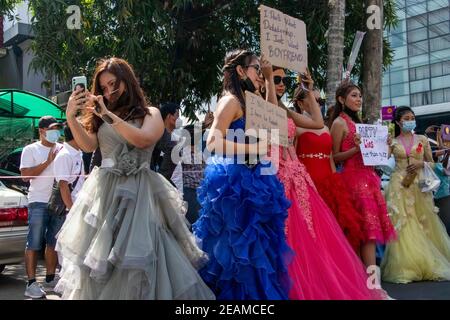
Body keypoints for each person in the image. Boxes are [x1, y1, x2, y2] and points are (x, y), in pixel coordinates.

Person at [55, 57, 215, 299]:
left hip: (141, 193)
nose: (109, 92)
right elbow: (88, 146)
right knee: (101, 260)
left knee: (144, 255)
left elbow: (143, 139)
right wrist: (70, 117)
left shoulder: (149, 113)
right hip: (104, 193)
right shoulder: (101, 115)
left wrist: (108, 115)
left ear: (127, 82)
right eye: (104, 87)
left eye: (113, 84)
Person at [268, 69, 384, 300]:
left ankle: (373, 285)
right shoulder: (291, 117)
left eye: (282, 80)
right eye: (276, 79)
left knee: (360, 235)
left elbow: (323, 135)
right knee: (299, 237)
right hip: (288, 176)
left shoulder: (297, 117)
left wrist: (308, 89)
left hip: (327, 181)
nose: (280, 84)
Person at [193, 49, 293, 300]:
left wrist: (270, 79)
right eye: (257, 69)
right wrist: (253, 149)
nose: (260, 74)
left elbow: (274, 121)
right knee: (235, 255)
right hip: (235, 186)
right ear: (240, 71)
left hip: (258, 180)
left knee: (259, 251)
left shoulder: (251, 102)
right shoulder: (231, 101)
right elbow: (213, 141)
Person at [330, 81, 396, 275]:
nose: (358, 99)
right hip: (352, 182)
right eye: (353, 95)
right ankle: (367, 285)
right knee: (362, 234)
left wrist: (388, 145)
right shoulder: (339, 123)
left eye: (359, 95)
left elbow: (379, 158)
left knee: (371, 234)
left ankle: (372, 286)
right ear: (341, 99)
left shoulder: (361, 125)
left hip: (369, 180)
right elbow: (333, 157)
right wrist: (355, 149)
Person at [381, 106, 450, 283]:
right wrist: (385, 144)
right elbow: (382, 161)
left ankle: (428, 261)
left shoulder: (422, 139)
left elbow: (433, 163)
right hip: (399, 185)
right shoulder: (393, 142)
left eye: (412, 117)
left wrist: (421, 165)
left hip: (419, 185)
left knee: (424, 221)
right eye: (406, 118)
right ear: (398, 122)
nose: (410, 120)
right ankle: (406, 266)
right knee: (404, 223)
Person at [293, 84, 364, 252]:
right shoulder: (295, 127)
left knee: (334, 228)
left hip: (329, 182)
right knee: (312, 228)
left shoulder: (324, 127)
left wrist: (336, 182)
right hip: (308, 182)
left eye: (320, 100)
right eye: (314, 100)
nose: (319, 103)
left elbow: (331, 156)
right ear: (300, 103)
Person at [20, 116, 64, 298]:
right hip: (38, 201)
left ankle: (50, 279)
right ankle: (31, 283)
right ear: (42, 131)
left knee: (53, 242)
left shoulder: (62, 148)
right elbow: (24, 176)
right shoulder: (30, 149)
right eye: (52, 128)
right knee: (34, 242)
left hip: (58, 202)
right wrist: (47, 161)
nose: (56, 132)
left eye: (58, 129)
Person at [53, 124, 85, 219]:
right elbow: (63, 185)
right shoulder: (65, 155)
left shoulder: (78, 153)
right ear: (77, 134)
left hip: (78, 204)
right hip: (68, 210)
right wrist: (72, 209)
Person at [150, 102, 182, 184]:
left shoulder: (175, 137)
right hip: (159, 184)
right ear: (169, 116)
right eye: (177, 115)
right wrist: (160, 182)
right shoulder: (157, 134)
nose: (179, 119)